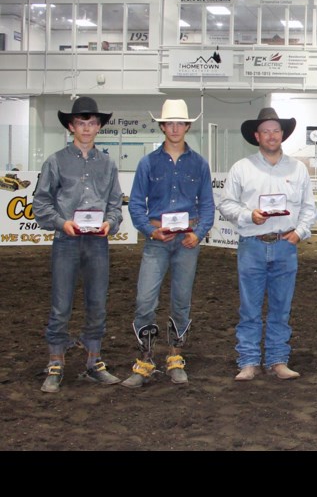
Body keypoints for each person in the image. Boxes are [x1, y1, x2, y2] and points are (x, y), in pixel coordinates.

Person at [121, 99, 215, 388]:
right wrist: (151, 231)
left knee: (181, 300)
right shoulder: (148, 163)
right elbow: (136, 204)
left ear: (187, 127)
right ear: (163, 127)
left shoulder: (199, 164)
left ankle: (175, 356)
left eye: (180, 123)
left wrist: (197, 234)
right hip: (157, 240)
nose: (175, 128)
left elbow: (208, 206)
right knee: (145, 300)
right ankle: (146, 359)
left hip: (187, 241)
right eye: (170, 123)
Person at [219, 107, 315, 382]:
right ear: (256, 135)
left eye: (276, 130)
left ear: (282, 134)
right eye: (266, 131)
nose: (271, 136)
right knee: (249, 307)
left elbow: (309, 207)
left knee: (281, 307)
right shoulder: (242, 168)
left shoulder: (297, 169)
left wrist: (300, 232)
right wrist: (249, 215)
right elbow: (225, 204)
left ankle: (277, 359)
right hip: (253, 243)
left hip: (286, 243)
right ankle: (248, 360)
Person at [34, 96, 124, 392]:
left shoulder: (108, 164)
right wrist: (63, 223)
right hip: (67, 241)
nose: (87, 128)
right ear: (71, 126)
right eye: (81, 123)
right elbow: (42, 203)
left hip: (97, 242)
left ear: (99, 127)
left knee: (97, 303)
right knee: (61, 304)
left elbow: (114, 205)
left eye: (92, 123)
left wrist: (110, 222)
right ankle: (55, 362)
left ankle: (93, 360)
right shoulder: (55, 161)